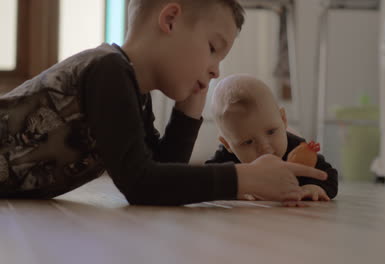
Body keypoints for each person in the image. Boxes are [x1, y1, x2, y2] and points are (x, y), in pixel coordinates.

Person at [0, 0, 327, 205]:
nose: (216, 69)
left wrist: (189, 109)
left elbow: (162, 172)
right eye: (213, 48)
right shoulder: (106, 70)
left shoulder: (132, 93)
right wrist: (243, 177)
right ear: (170, 19)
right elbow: (141, 183)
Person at [207, 74, 338, 202]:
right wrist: (234, 190)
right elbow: (208, 178)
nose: (264, 146)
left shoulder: (297, 148)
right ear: (228, 144)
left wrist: (314, 187)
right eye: (248, 142)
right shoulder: (226, 159)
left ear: (283, 119)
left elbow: (328, 175)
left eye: (271, 132)